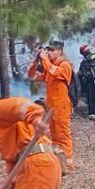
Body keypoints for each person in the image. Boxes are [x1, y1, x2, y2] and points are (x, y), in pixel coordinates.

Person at [27, 39, 75, 169]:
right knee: (53, 134)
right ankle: (59, 160)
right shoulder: (49, 65)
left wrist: (45, 60)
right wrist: (35, 62)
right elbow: (32, 76)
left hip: (62, 105)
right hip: (51, 106)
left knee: (63, 134)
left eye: (52, 50)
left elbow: (54, 72)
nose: (49, 52)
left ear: (59, 51)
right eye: (48, 50)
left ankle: (69, 162)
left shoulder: (64, 65)